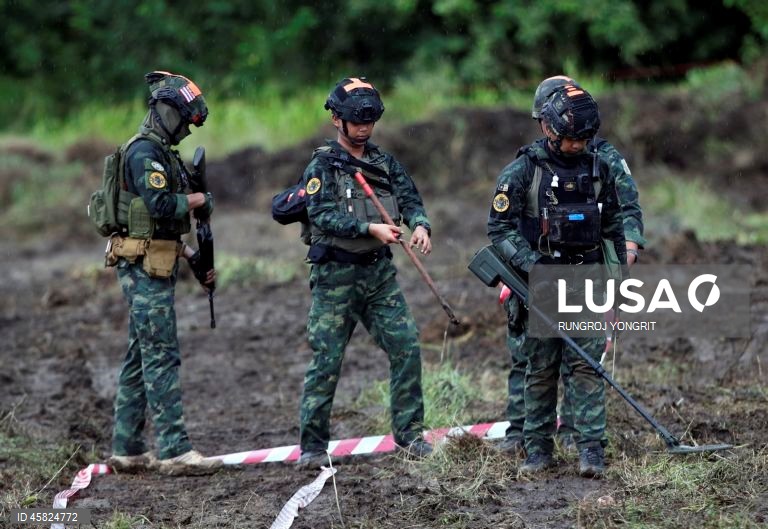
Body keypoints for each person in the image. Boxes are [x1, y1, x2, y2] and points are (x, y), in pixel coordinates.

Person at [497, 76, 646, 455]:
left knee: (582, 363)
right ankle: (527, 437)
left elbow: (622, 217)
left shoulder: (603, 163)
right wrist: (521, 267)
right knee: (534, 364)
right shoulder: (526, 167)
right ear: (548, 125)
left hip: (587, 276)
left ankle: (579, 436)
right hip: (537, 276)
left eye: (582, 137)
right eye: (568, 136)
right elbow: (503, 226)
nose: (575, 145)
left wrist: (617, 276)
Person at [297, 77, 434, 467]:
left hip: (378, 276)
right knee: (327, 360)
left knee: (406, 346)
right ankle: (311, 447)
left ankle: (409, 437)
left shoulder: (383, 163)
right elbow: (320, 213)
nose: (363, 128)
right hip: (335, 277)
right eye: (356, 120)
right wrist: (367, 228)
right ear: (336, 120)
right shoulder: (322, 165)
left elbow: (409, 198)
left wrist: (421, 224)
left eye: (369, 120)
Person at [106, 71, 221, 476]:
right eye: (183, 120)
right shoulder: (144, 153)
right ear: (166, 112)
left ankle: (128, 448)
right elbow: (158, 206)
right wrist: (198, 199)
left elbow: (161, 229)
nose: (186, 130)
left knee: (141, 356)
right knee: (161, 355)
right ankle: (174, 449)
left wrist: (193, 257)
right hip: (142, 268)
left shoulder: (163, 153)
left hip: (155, 262)